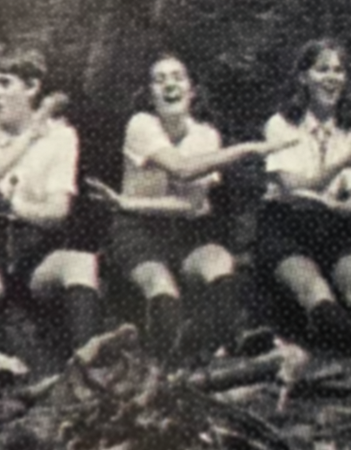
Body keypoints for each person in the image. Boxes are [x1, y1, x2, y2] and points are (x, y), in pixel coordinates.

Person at [84, 52, 292, 364]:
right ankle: (173, 361)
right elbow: (181, 169)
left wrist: (127, 200)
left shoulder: (206, 135)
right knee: (161, 284)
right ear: (150, 94)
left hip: (186, 229)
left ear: (192, 91)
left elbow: (191, 203)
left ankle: (224, 343)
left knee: (220, 263)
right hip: (137, 230)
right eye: (160, 79)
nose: (169, 84)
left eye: (177, 77)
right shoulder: (141, 124)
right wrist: (247, 148)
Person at [257, 38, 351, 354]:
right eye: (322, 69)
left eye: (339, 70)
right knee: (315, 290)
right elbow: (293, 187)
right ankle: (346, 333)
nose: (332, 77)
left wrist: (335, 206)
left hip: (335, 222)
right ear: (303, 77)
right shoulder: (281, 125)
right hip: (287, 224)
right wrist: (343, 163)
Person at [0, 46, 101, 373]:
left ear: (32, 87)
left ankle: (87, 363)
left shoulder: (62, 136)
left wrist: (15, 206)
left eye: (4, 83)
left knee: (81, 262)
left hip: (35, 247)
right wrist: (30, 137)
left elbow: (57, 210)